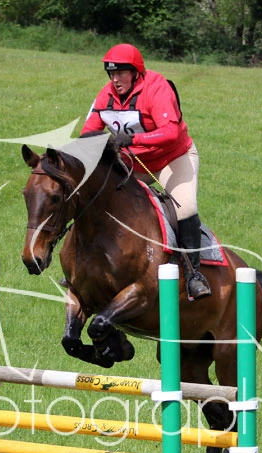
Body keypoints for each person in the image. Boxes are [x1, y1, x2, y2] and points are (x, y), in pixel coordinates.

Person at [80, 43, 211, 300]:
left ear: (136, 72)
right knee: (96, 198)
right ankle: (87, 266)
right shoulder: (105, 96)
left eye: (120, 73)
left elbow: (171, 132)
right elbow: (88, 134)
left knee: (184, 207)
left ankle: (194, 275)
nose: (115, 79)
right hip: (133, 164)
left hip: (173, 159)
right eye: (111, 73)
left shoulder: (157, 88)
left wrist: (132, 140)